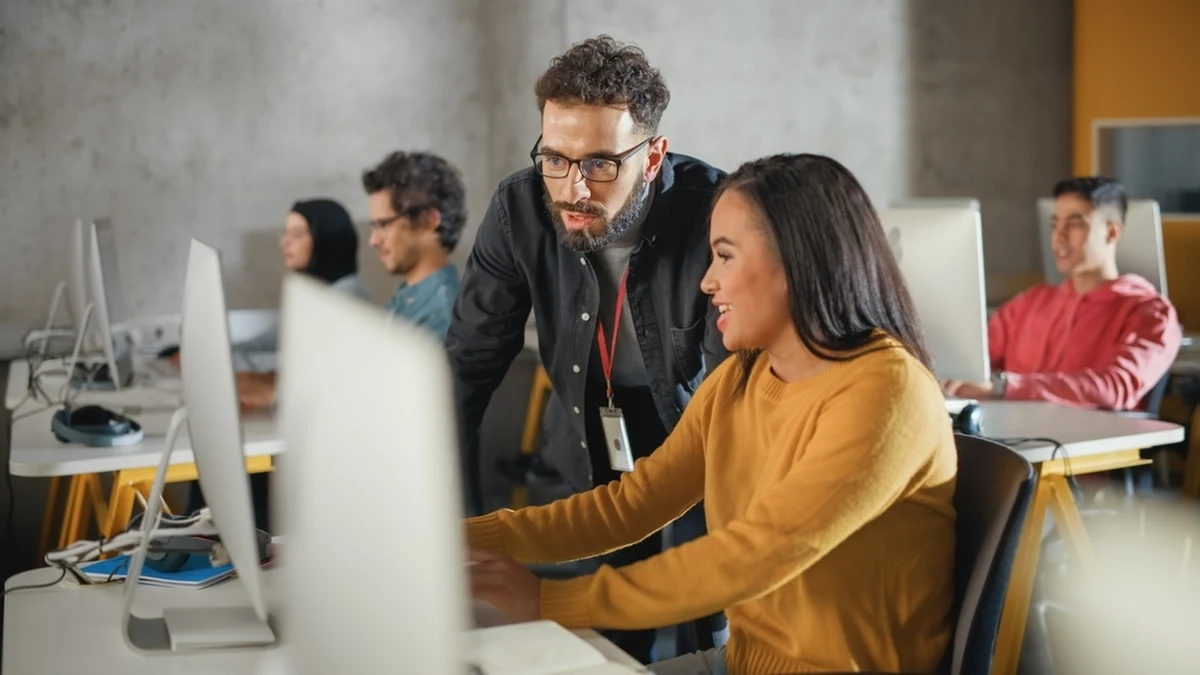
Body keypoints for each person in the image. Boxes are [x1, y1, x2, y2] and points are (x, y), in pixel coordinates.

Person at [464, 154, 958, 675]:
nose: (707, 281)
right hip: (739, 663)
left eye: (724, 256)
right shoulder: (739, 380)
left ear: (797, 260)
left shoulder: (885, 391)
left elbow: (753, 555)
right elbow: (629, 507)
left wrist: (550, 601)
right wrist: (461, 537)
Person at [445, 35, 729, 662]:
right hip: (590, 418)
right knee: (608, 631)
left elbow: (736, 389)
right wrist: (417, 499)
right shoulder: (520, 208)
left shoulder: (718, 213)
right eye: (555, 158)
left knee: (704, 617)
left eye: (601, 164)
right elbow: (468, 363)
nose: (573, 189)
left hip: (698, 428)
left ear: (652, 157)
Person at [942, 177, 1181, 410]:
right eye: (1055, 225)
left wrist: (1002, 387)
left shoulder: (1149, 312)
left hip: (1093, 435)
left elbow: (1114, 386)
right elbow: (969, 364)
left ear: (1112, 232)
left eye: (1075, 224)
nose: (1059, 236)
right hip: (1013, 431)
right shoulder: (1031, 303)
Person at [233, 198, 370, 409]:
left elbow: (299, 364)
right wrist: (224, 353)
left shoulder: (346, 297)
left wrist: (227, 362)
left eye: (297, 234)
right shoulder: (314, 294)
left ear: (326, 239)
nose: (285, 242)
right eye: (285, 233)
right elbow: (271, 340)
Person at [362, 150, 466, 340]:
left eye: (383, 225)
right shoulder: (409, 299)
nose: (373, 240)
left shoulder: (441, 317)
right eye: (374, 226)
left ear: (429, 221)